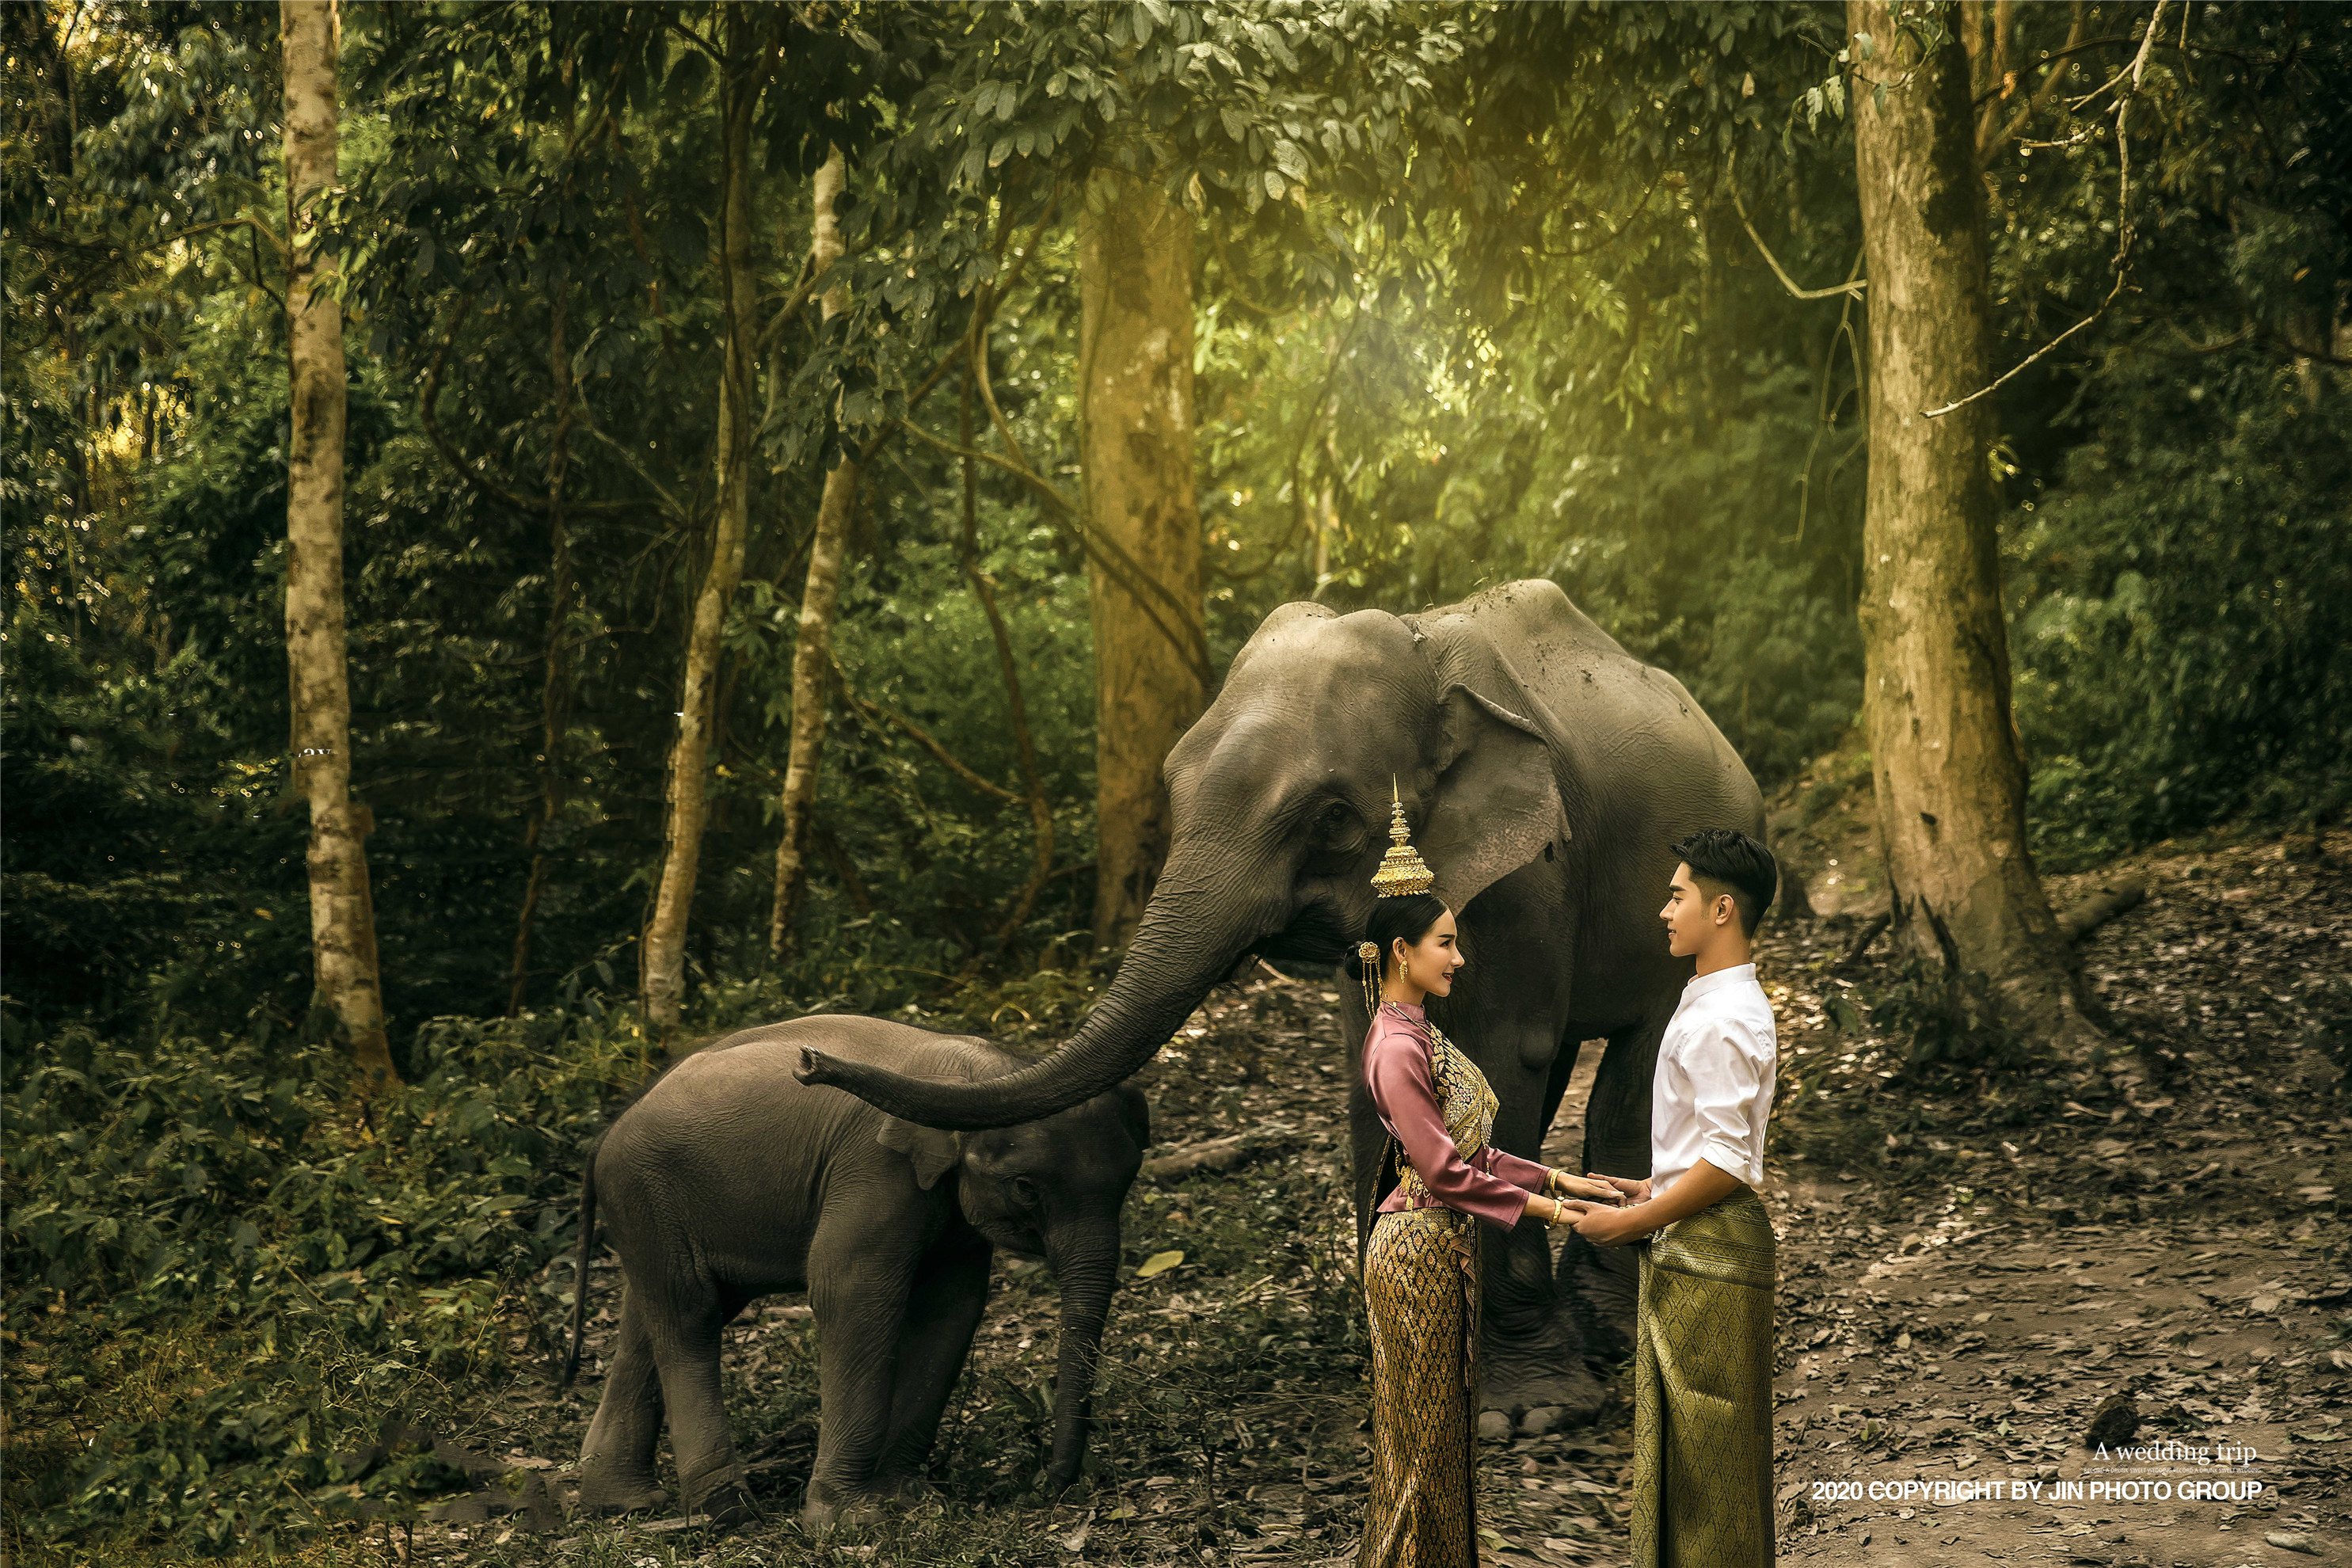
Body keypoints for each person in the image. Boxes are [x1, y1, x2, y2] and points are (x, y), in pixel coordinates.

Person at [1353, 786, 1624, 1567]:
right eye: (1445, 942)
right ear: (1403, 952)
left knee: (1441, 1455)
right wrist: (1550, 1215)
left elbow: (1468, 1153)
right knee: (1424, 1458)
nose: (1459, 957)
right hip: (1414, 1253)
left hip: (1439, 1248)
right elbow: (1439, 1169)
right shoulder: (1397, 1046)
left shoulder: (1418, 1033)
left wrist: (1565, 1182)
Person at [1560, 827, 1781, 1568]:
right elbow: (1712, 1148)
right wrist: (1653, 1185)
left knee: (1709, 1466)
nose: (1664, 909)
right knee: (1692, 1454)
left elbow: (1725, 1160)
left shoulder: (1723, 1017)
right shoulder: (1715, 1002)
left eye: (1677, 894)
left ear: (1722, 910)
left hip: (1711, 1245)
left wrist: (1632, 1223)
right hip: (1697, 1235)